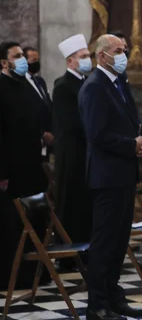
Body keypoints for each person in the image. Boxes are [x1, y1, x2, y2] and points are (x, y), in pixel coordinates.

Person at [79, 34, 142, 320]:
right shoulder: (95, 87)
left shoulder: (118, 83)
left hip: (122, 173)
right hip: (106, 175)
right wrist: (130, 145)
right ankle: (96, 304)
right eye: (117, 51)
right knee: (106, 241)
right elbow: (97, 134)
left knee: (120, 240)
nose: (123, 55)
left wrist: (139, 141)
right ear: (102, 56)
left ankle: (113, 296)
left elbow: (128, 122)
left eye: (124, 49)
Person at [0, 41, 51, 289]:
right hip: (11, 169)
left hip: (32, 163)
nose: (23, 59)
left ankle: (35, 274)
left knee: (36, 220)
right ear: (3, 62)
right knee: (12, 225)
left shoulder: (25, 84)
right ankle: (12, 277)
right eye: (17, 56)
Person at [52, 35, 94, 254]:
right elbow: (71, 122)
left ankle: (87, 247)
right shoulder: (63, 86)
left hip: (87, 151)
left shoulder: (86, 82)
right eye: (83, 56)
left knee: (85, 203)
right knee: (72, 202)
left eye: (88, 55)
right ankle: (69, 251)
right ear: (70, 61)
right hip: (72, 152)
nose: (88, 59)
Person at [23, 46, 54, 159]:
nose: (37, 63)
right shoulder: (21, 83)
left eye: (38, 60)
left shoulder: (40, 81)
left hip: (48, 136)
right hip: (34, 136)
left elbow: (48, 105)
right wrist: (42, 133)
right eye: (33, 60)